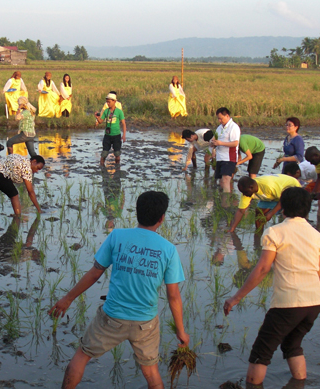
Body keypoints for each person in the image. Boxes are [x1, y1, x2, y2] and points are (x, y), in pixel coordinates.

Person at [49, 191, 189, 389]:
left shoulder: (117, 236)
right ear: (162, 218)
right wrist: (181, 331)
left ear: (137, 213)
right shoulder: (168, 249)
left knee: (81, 357)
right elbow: (173, 296)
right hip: (145, 323)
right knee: (151, 372)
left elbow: (95, 274)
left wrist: (68, 298)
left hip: (112, 318)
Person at [224, 187, 320, 385]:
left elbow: (262, 269)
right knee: (292, 345)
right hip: (314, 303)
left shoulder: (275, 232)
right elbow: (319, 273)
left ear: (283, 208)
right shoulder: (315, 235)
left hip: (288, 303)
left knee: (261, 353)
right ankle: (299, 383)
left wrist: (235, 298)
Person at [228, 175, 301, 233]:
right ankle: (258, 234)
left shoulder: (269, 186)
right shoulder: (246, 192)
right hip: (273, 196)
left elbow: (283, 199)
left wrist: (271, 213)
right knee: (259, 212)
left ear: (251, 187)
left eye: (245, 192)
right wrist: (232, 228)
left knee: (288, 215)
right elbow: (241, 211)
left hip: (292, 190)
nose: (244, 194)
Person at [209, 107, 240, 193]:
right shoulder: (219, 128)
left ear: (227, 116)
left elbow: (235, 143)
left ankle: (226, 204)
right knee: (221, 181)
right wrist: (213, 143)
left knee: (226, 180)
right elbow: (216, 140)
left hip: (229, 158)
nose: (219, 120)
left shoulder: (233, 127)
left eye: (221, 118)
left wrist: (221, 143)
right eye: (218, 118)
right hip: (220, 157)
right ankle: (222, 201)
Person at [95, 93, 126, 165]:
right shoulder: (106, 111)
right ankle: (102, 169)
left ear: (114, 101)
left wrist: (124, 135)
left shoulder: (119, 112)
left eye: (109, 102)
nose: (107, 103)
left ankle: (117, 169)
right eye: (107, 102)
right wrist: (97, 117)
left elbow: (123, 123)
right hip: (107, 136)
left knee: (117, 155)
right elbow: (100, 121)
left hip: (116, 136)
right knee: (104, 154)